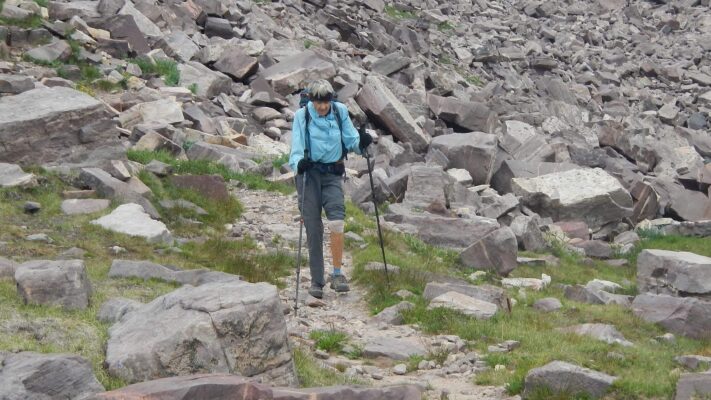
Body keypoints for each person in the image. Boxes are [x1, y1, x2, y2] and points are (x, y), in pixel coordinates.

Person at [289, 80, 372, 299]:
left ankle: (337, 274)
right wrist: (298, 163)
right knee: (313, 228)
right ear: (312, 100)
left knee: (337, 221)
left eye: (325, 102)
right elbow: (296, 149)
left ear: (331, 100)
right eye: (318, 103)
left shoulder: (340, 112)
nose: (322, 107)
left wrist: (362, 143)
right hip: (308, 175)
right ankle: (317, 281)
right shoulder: (302, 116)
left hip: (333, 174)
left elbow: (351, 140)